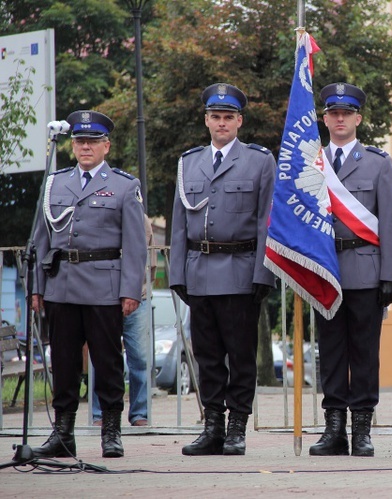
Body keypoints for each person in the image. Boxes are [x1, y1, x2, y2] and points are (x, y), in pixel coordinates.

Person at [31, 110, 147, 459]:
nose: (85, 147)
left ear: (106, 146)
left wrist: (130, 290)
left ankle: (111, 432)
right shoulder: (55, 184)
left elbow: (136, 245)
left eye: (92, 142)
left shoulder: (125, 186)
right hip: (62, 285)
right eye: (80, 141)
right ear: (72, 146)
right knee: (64, 361)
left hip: (103, 285)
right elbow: (40, 240)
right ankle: (63, 433)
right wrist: (36, 287)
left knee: (108, 362)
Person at [169, 82, 276, 456]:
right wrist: (177, 273)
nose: (222, 123)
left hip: (240, 269)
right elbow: (179, 222)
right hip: (199, 270)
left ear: (239, 121)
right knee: (208, 356)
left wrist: (265, 273)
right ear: (206, 120)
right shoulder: (189, 162)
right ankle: (212, 426)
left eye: (228, 117)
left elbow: (266, 222)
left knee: (241, 355)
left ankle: (236, 428)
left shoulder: (259, 161)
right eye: (215, 117)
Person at [308, 82, 392, 457]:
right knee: (330, 352)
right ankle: (333, 429)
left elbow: (391, 222)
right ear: (325, 118)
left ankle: (362, 428)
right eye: (333, 113)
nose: (340, 118)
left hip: (365, 268)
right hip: (324, 269)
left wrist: (390, 275)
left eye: (347, 113)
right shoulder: (311, 163)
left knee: (363, 352)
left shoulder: (378, 163)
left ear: (358, 118)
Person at [92, 214, 156, 427]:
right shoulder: (97, 216)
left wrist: (143, 289)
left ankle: (139, 413)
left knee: (140, 358)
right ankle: (99, 412)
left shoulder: (141, 218)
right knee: (102, 357)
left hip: (138, 297)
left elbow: (150, 258)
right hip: (104, 296)